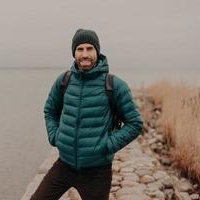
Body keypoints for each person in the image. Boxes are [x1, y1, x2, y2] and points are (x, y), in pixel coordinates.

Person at [30, 29, 143, 200]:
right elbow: (50, 111)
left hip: (97, 173)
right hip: (64, 165)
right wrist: (55, 136)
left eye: (89, 49)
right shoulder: (64, 80)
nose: (85, 54)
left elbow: (135, 123)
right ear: (74, 53)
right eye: (80, 49)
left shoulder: (114, 85)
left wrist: (106, 146)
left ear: (97, 51)